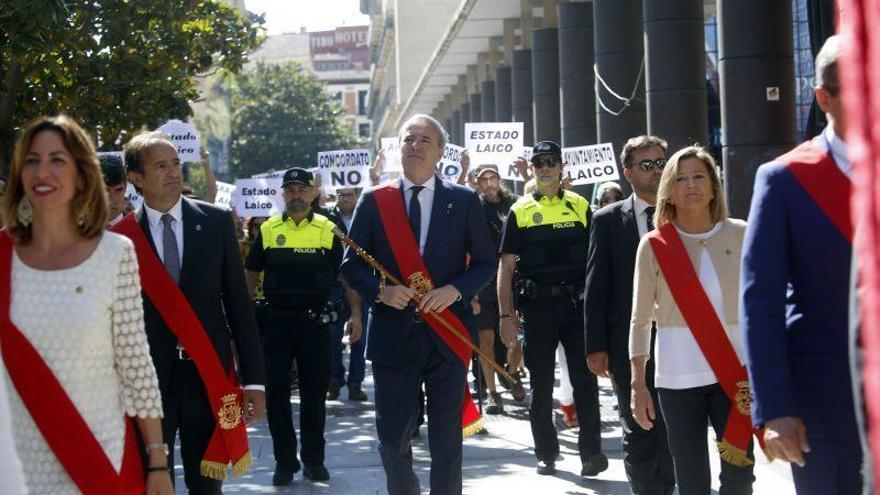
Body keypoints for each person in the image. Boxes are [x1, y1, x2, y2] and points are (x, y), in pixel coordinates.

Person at [0, 115, 172, 494]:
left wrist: (157, 462)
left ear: (81, 174)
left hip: (98, 460)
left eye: (57, 159)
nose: (42, 171)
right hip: (15, 467)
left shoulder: (115, 254)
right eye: (32, 160)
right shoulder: (1, 256)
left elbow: (136, 366)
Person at [340, 113, 495, 495]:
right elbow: (351, 265)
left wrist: (455, 291)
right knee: (392, 438)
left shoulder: (463, 201)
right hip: (394, 335)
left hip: (447, 334)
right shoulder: (376, 202)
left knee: (446, 442)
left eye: (424, 140)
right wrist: (381, 292)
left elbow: (487, 262)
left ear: (441, 151)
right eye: (408, 139)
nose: (415, 146)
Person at [741, 34, 863, 494]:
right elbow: (761, 303)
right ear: (824, 98)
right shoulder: (785, 180)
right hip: (822, 409)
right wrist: (774, 408)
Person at [121, 131, 266, 494]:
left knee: (207, 486)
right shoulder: (119, 239)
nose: (173, 173)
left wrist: (255, 382)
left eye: (175, 164)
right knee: (154, 482)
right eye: (160, 166)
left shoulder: (215, 222)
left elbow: (238, 306)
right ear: (136, 179)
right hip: (147, 383)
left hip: (207, 377)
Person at [629, 145, 755, 494]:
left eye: (699, 176)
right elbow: (639, 320)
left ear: (714, 185)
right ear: (668, 190)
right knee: (691, 480)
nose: (690, 185)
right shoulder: (654, 245)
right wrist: (638, 384)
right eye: (681, 178)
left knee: (740, 475)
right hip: (677, 380)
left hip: (735, 375)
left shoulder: (742, 233)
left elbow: (761, 306)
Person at [498, 140, 607, 477]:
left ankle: (592, 454)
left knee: (585, 381)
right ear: (532, 169)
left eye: (551, 162)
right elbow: (505, 269)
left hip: (577, 308)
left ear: (561, 167)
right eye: (539, 163)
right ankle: (546, 452)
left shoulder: (580, 205)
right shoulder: (519, 210)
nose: (545, 168)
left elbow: (597, 261)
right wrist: (506, 317)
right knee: (541, 384)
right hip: (538, 308)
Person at [245, 168, 358, 485]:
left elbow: (346, 275)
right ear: (283, 193)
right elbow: (251, 274)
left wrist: (356, 315)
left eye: (302, 189)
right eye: (290, 189)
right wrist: (243, 317)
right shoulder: (268, 229)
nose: (296, 194)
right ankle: (284, 463)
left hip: (314, 324)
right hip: (277, 323)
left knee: (313, 396)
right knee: (277, 395)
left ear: (313, 193)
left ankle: (314, 461)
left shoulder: (327, 229)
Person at [585, 135, 675, 494]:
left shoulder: (687, 212)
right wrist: (595, 346)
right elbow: (596, 285)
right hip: (628, 345)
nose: (656, 172)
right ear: (628, 173)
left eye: (661, 163)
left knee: (673, 432)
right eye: (646, 165)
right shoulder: (608, 221)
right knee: (639, 432)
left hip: (680, 341)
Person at [472, 164, 523, 414]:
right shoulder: (473, 207)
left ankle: (512, 374)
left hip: (512, 280)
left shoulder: (514, 203)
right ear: (477, 183)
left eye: (493, 178)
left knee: (516, 337)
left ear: (500, 180)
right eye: (484, 179)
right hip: (483, 282)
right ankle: (492, 392)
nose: (489, 183)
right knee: (485, 339)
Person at [326, 187, 368, 402]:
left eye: (349, 194)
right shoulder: (327, 217)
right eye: (341, 194)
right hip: (335, 284)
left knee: (359, 338)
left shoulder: (366, 214)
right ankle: (335, 379)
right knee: (332, 336)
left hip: (361, 283)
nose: (345, 198)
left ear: (356, 197)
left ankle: (355, 384)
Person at [99, 153, 128, 224]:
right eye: (105, 190)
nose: (113, 199)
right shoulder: (71, 231)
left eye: (119, 190)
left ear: (125, 188)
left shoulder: (143, 230)